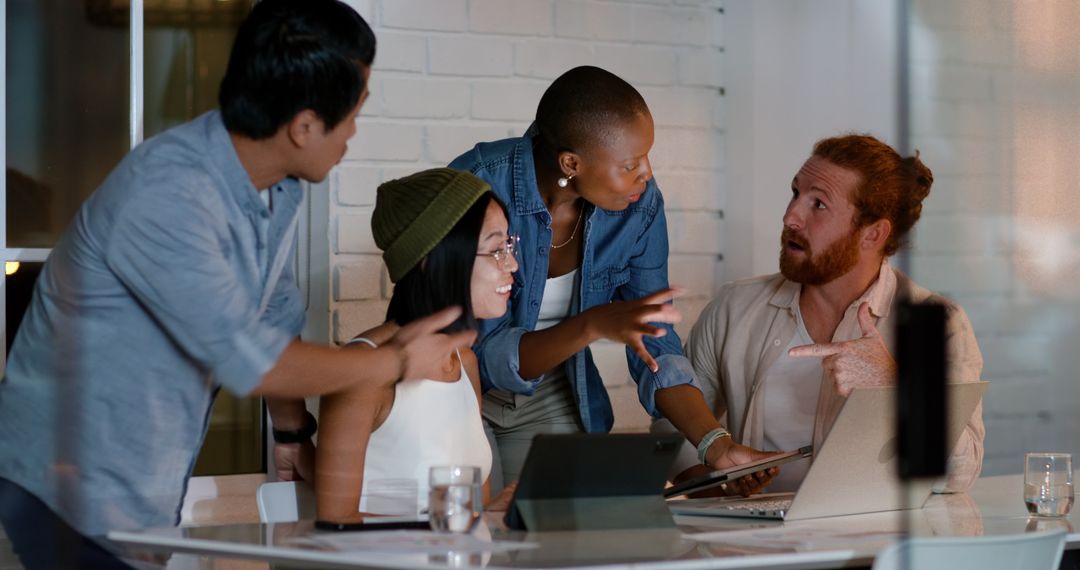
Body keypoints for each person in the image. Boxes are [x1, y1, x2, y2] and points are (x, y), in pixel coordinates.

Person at [0, 1, 473, 565]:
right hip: (63, 484)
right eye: (352, 113)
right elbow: (249, 359)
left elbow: (273, 317)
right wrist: (394, 361)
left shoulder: (277, 186)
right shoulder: (170, 194)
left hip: (136, 489)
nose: (352, 132)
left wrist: (292, 431)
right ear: (303, 126)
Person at [448, 66, 774, 491]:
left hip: (550, 390)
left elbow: (655, 345)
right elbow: (488, 356)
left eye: (646, 158)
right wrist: (594, 323)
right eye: (630, 164)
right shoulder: (480, 183)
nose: (647, 174)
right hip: (458, 388)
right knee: (473, 532)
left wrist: (715, 444)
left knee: (555, 533)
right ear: (571, 162)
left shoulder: (639, 205)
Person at [655, 134, 985, 494]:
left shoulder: (935, 321)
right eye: (795, 193)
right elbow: (671, 429)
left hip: (872, 544)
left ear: (873, 234)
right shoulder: (734, 307)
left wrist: (891, 386)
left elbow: (960, 474)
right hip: (754, 546)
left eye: (819, 205)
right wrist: (716, 490)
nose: (791, 216)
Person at [315, 168, 518, 523]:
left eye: (508, 246)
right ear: (432, 259)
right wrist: (450, 524)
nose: (512, 264)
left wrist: (493, 512)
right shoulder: (362, 370)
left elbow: (467, 517)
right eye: (496, 249)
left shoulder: (464, 361)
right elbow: (337, 523)